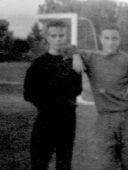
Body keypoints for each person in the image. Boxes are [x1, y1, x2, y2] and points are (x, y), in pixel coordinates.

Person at [72, 24, 128, 170]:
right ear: (101, 40)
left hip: (126, 117)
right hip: (104, 118)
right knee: (107, 164)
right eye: (107, 38)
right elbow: (66, 48)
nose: (111, 42)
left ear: (119, 40)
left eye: (114, 38)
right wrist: (76, 55)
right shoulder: (92, 57)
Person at [24, 20, 82, 170]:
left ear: (66, 36)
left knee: (64, 161)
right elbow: (29, 93)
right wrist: (48, 105)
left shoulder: (72, 63)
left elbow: (78, 89)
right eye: (54, 35)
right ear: (47, 38)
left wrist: (75, 56)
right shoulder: (39, 64)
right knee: (40, 160)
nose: (58, 39)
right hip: (46, 119)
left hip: (68, 119)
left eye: (61, 35)